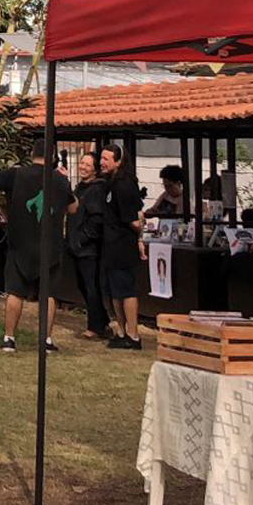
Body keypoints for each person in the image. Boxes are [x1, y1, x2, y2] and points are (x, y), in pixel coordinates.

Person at [0, 139, 76, 353]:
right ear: (51, 157)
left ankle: (9, 338)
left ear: (32, 154)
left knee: (15, 291)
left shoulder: (17, 174)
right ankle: (46, 341)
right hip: (50, 245)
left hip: (21, 242)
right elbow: (74, 207)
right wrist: (65, 182)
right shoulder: (59, 180)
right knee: (48, 294)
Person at [100, 144, 145, 350]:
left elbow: (135, 219)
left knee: (126, 290)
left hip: (123, 246)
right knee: (115, 292)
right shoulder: (111, 183)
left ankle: (134, 335)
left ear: (118, 161)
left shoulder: (124, 185)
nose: (102, 162)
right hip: (111, 245)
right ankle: (121, 330)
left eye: (106, 159)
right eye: (101, 158)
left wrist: (140, 234)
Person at [69, 152, 112, 339]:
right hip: (77, 246)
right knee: (83, 285)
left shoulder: (96, 189)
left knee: (91, 286)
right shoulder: (80, 187)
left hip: (88, 247)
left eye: (88, 164)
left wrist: (82, 238)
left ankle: (95, 327)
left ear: (95, 169)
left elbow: (96, 219)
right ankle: (102, 322)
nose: (83, 167)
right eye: (82, 163)